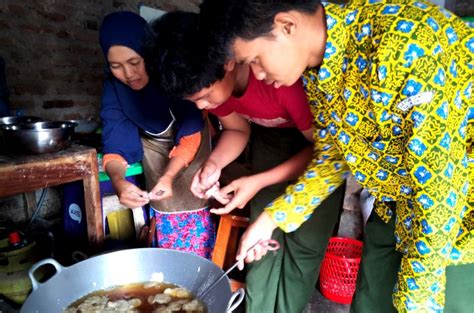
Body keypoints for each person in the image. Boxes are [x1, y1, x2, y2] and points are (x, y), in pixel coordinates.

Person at [198, 0, 474, 312]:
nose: (258, 75)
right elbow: (333, 156)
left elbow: (438, 191)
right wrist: (272, 218)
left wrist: (419, 300)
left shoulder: (406, 42)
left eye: (256, 60)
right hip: (394, 208)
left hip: (457, 226)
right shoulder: (319, 74)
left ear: (286, 25)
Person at [147, 11, 345, 313]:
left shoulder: (283, 80)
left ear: (227, 62)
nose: (203, 106)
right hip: (268, 144)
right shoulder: (216, 87)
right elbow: (238, 129)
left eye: (205, 96)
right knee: (259, 246)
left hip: (317, 151)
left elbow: (326, 154)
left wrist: (257, 181)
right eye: (195, 102)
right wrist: (213, 164)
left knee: (305, 244)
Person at [99, 11, 215, 259]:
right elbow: (116, 143)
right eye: (116, 66)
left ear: (148, 54)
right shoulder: (114, 88)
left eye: (134, 62)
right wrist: (119, 183)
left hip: (191, 148)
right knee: (164, 219)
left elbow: (190, 132)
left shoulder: (171, 72)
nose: (128, 74)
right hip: (154, 153)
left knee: (195, 223)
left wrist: (170, 175)